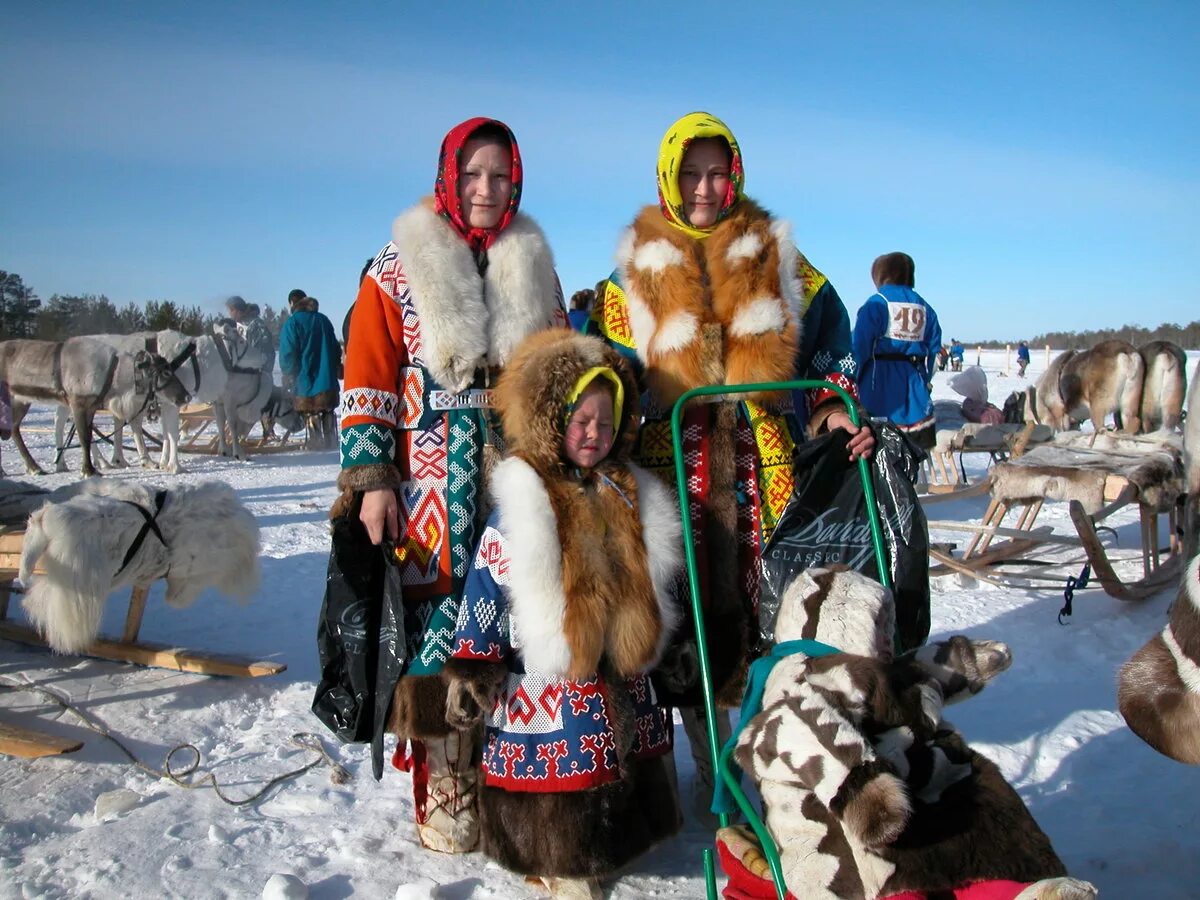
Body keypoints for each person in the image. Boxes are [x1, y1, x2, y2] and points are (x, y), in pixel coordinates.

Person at [585, 111, 873, 809]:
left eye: (717, 172)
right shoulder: (628, 280)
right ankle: (709, 769)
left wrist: (834, 407)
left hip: (761, 466)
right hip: (669, 468)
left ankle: (767, 768)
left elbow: (830, 346)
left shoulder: (780, 258)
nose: (705, 186)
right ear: (669, 176)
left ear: (736, 173)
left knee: (764, 608)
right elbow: (605, 369)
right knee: (677, 618)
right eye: (690, 173)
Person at [334, 116, 566, 854]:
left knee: (512, 617)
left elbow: (559, 368)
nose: (486, 190)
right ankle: (443, 779)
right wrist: (372, 478)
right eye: (472, 175)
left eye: (500, 176)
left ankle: (510, 775)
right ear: (448, 177)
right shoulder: (396, 267)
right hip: (428, 486)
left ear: (516, 180)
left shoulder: (534, 263)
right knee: (437, 630)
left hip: (511, 484)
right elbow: (366, 380)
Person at [444, 329, 682, 900]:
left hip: (621, 665)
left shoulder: (630, 491)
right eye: (581, 421)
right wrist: (476, 657)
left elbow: (657, 580)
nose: (594, 434)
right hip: (549, 674)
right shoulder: (527, 499)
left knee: (624, 756)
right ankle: (565, 862)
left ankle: (618, 841)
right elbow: (489, 577)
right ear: (553, 418)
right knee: (567, 766)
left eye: (606, 422)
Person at [852, 251, 942, 449]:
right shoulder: (925, 307)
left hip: (878, 388)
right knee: (915, 453)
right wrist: (923, 380)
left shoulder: (877, 303)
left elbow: (859, 347)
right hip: (915, 392)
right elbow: (935, 353)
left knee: (878, 452)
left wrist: (853, 380)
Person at [278, 293, 342, 449]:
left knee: (310, 411)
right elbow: (335, 349)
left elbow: (287, 354)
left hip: (304, 381)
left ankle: (315, 443)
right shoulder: (323, 320)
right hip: (327, 381)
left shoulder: (292, 323)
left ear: (293, 303)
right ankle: (330, 441)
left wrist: (288, 373)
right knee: (327, 409)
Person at [224, 295, 276, 374]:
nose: (229, 313)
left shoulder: (256, 326)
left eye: (231, 310)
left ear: (238, 310)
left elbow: (265, 356)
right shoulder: (237, 326)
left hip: (258, 377)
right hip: (242, 377)